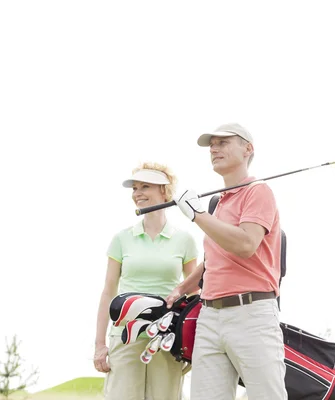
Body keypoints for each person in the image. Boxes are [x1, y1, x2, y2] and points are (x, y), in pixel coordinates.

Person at [166, 123, 288, 400]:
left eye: (223, 142)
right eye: (212, 145)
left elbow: (245, 244)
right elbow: (213, 259)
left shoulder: (258, 192)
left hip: (252, 313)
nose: (214, 148)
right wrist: (182, 288)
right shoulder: (217, 203)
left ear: (248, 149)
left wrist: (197, 215)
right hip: (210, 315)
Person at [94, 162, 200, 400]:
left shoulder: (184, 240)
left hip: (166, 336)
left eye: (145, 187)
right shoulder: (122, 239)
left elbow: (193, 293)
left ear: (164, 191)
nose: (137, 193)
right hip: (125, 335)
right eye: (134, 188)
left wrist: (193, 341)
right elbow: (108, 292)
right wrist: (99, 344)